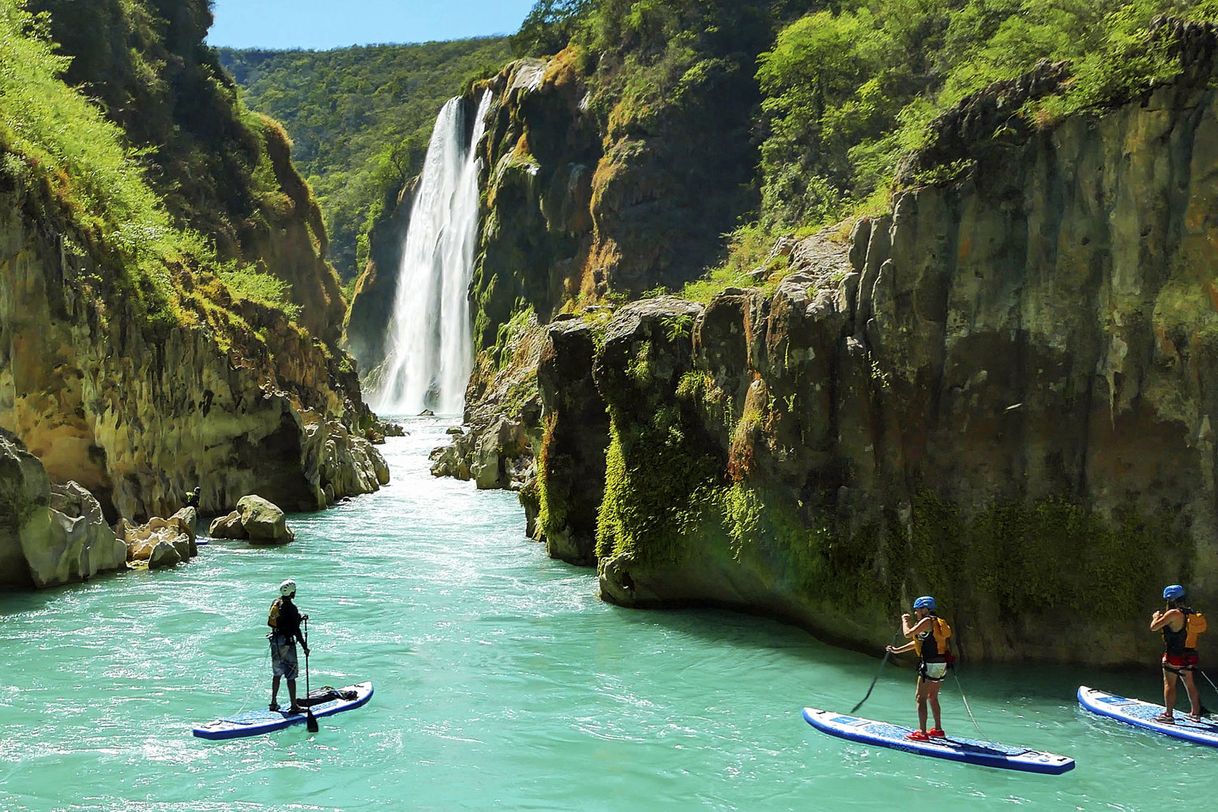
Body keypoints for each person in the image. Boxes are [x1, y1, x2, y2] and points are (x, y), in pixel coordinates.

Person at [887, 595, 953, 741]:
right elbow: (917, 643)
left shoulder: (926, 620)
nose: (916, 613)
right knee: (932, 697)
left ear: (925, 609)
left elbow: (908, 634)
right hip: (941, 663)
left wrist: (905, 621)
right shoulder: (937, 622)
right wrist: (897, 650)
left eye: (917, 610)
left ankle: (922, 733)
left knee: (920, 697)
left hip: (929, 664)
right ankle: (938, 730)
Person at [1150, 584, 1206, 723]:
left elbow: (1154, 627)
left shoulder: (1173, 613)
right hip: (1188, 655)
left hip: (1174, 656)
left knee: (1169, 684)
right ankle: (1195, 714)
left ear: (1170, 600)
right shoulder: (1190, 613)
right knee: (1190, 684)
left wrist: (1155, 617)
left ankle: (1168, 715)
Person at [268, 579, 310, 714]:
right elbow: (295, 630)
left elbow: (283, 620)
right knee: (291, 675)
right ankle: (294, 706)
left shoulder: (276, 602)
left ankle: (273, 703)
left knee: (277, 673)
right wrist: (305, 647)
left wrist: (299, 617)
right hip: (287, 643)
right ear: (292, 592)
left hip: (275, 641)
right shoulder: (291, 607)